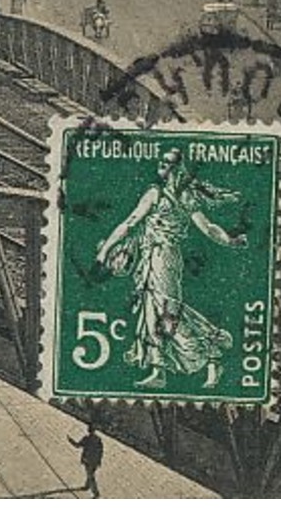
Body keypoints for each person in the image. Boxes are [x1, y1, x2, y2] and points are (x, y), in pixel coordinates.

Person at [94, 148, 244, 389]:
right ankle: (163, 368)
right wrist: (106, 249)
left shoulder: (182, 197)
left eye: (169, 162)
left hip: (165, 257)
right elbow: (131, 222)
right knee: (154, 310)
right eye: (161, 160)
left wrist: (229, 240)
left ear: (178, 168)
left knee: (165, 310)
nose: (163, 165)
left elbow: (207, 227)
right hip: (150, 256)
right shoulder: (155, 193)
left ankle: (209, 352)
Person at [69, 425, 104, 497]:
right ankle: (87, 486)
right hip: (95, 461)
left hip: (88, 460)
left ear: (88, 430)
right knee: (90, 473)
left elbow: (77, 445)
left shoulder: (86, 439)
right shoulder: (98, 439)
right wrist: (99, 460)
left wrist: (70, 440)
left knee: (91, 476)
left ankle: (96, 493)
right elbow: (101, 451)